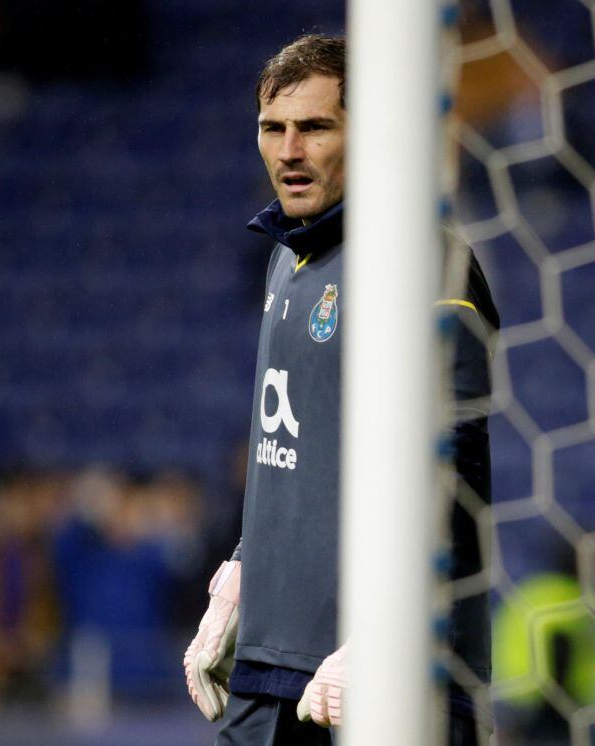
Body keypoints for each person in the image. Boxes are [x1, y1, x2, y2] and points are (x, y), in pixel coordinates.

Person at [182, 34, 498, 745]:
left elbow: (458, 465)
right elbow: (294, 448)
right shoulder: (286, 263)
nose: (289, 150)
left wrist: (394, 634)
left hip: (375, 673)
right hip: (270, 665)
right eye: (273, 129)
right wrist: (241, 572)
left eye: (315, 127)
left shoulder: (420, 258)